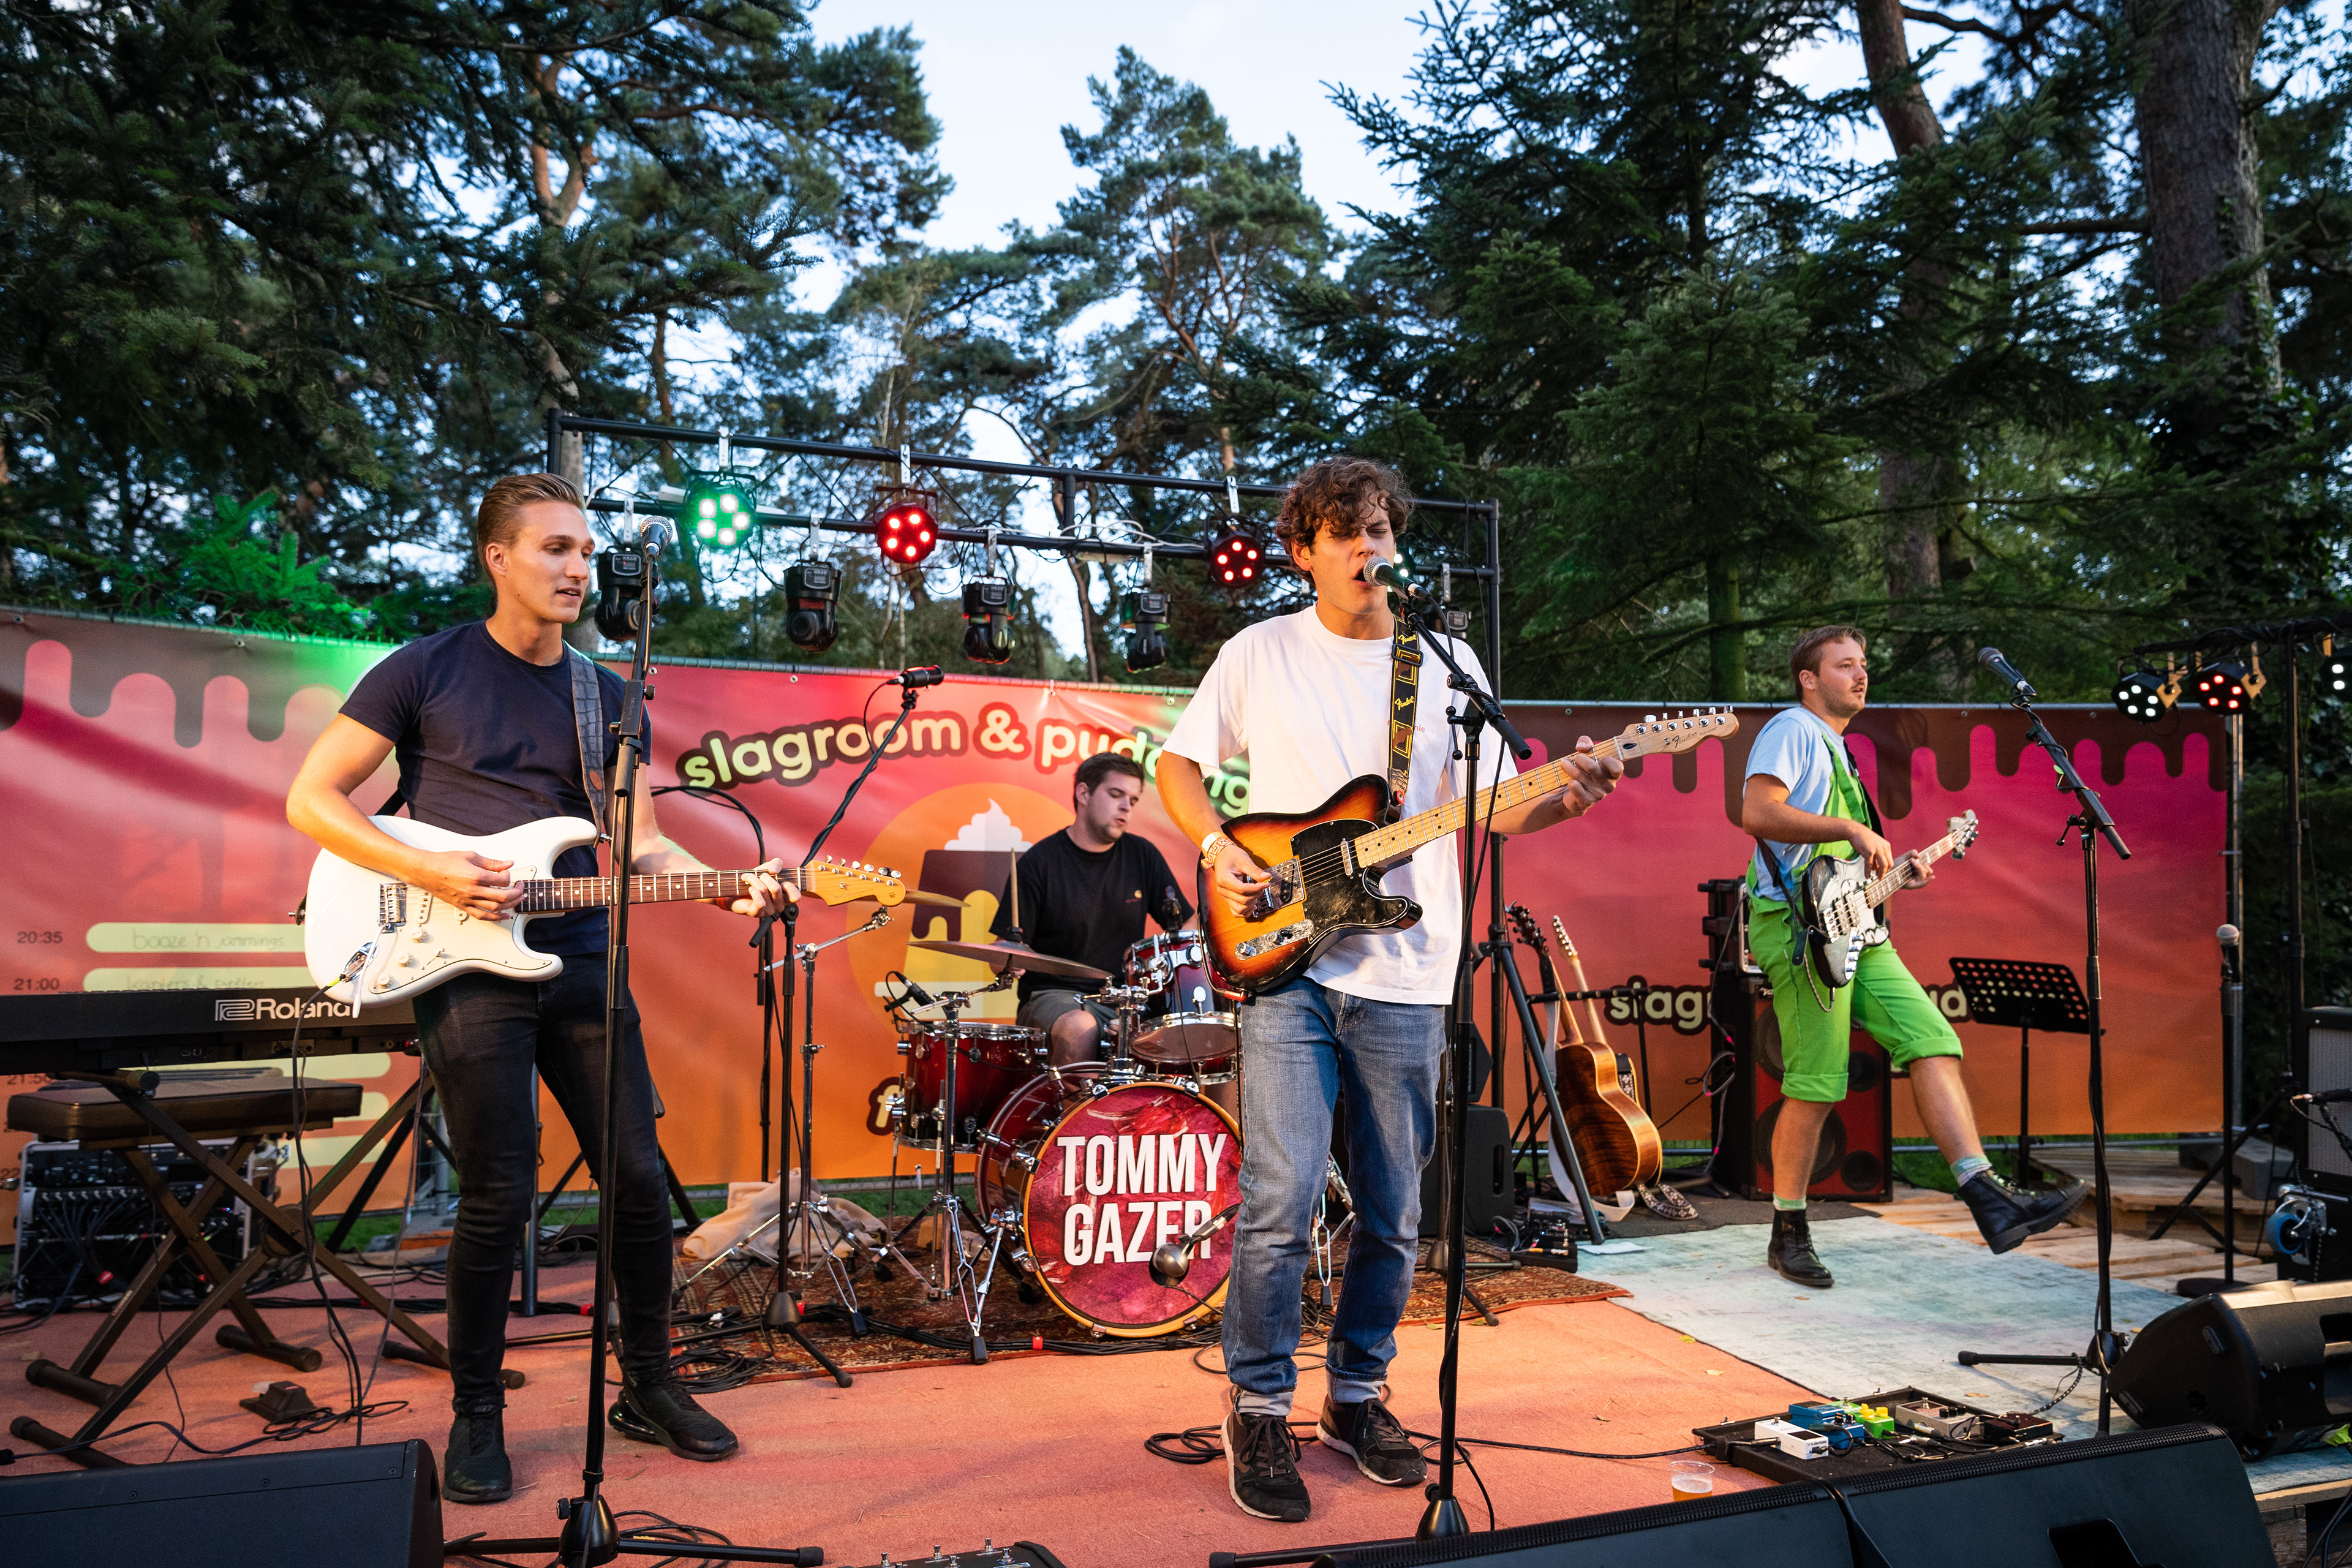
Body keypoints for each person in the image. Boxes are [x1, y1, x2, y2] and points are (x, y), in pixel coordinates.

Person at [285, 473, 794, 1504]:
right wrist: (428, 869)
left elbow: (643, 846)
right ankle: (478, 1410)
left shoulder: (606, 695)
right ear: (499, 558)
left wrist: (727, 885)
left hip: (583, 952)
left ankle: (648, 1383)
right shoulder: (424, 669)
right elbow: (312, 798)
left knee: (638, 1183)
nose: (577, 569)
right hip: (464, 959)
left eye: (586, 552)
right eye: (556, 548)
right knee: (498, 1193)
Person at [1157, 456, 1623, 1525]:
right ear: (1305, 551)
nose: (1371, 547)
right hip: (1288, 964)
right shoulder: (1259, 651)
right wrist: (1220, 846)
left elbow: (1497, 809)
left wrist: (1571, 796)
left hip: (1409, 974)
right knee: (1280, 1201)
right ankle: (1257, 1405)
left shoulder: (1445, 663)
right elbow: (1179, 767)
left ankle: (1357, 1395)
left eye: (1381, 529)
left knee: (1396, 1209)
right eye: (1347, 533)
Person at [1740, 625, 2087, 1289]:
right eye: (1844, 665)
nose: (1860, 674)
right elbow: (1757, 811)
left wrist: (1895, 875)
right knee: (1817, 1084)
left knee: (1933, 1040)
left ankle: (1985, 1193)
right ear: (1808, 679)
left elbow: (1841, 870)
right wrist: (1850, 827)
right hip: (1798, 929)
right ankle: (1788, 1230)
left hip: (1857, 928)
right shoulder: (1792, 728)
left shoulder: (1838, 748)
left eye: (1863, 664)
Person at [990, 752, 1193, 1066]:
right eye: (1116, 794)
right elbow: (1003, 951)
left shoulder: (1142, 855)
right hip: (1053, 995)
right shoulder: (1039, 863)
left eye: (1133, 800)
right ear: (1083, 793)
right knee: (1080, 1027)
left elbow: (1186, 929)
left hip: (1125, 998)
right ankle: (1078, 1101)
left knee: (1200, 1030)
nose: (1126, 807)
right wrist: (1006, 959)